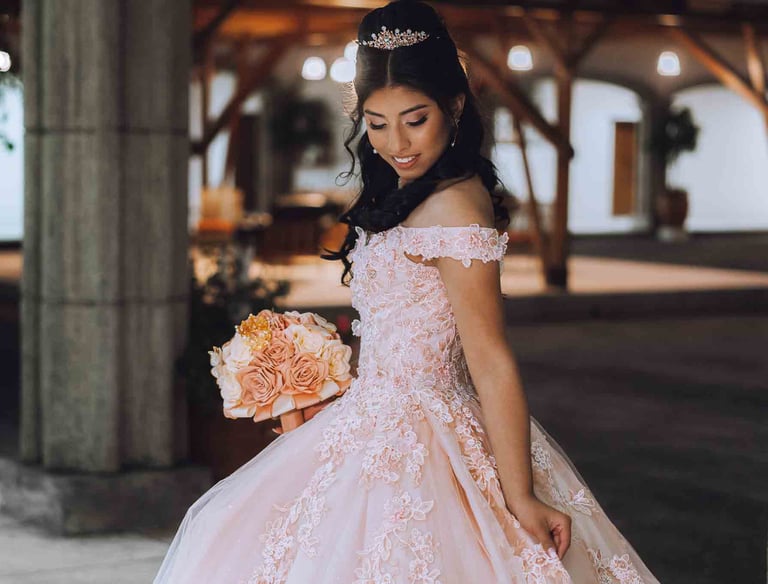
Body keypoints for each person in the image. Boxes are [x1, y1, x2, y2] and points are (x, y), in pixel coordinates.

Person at [154, 1, 660, 582]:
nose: (397, 143)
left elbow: (490, 359)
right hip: (374, 415)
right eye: (377, 123)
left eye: (415, 119)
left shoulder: (455, 208)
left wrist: (518, 495)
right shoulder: (416, 191)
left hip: (427, 435)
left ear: (454, 106)